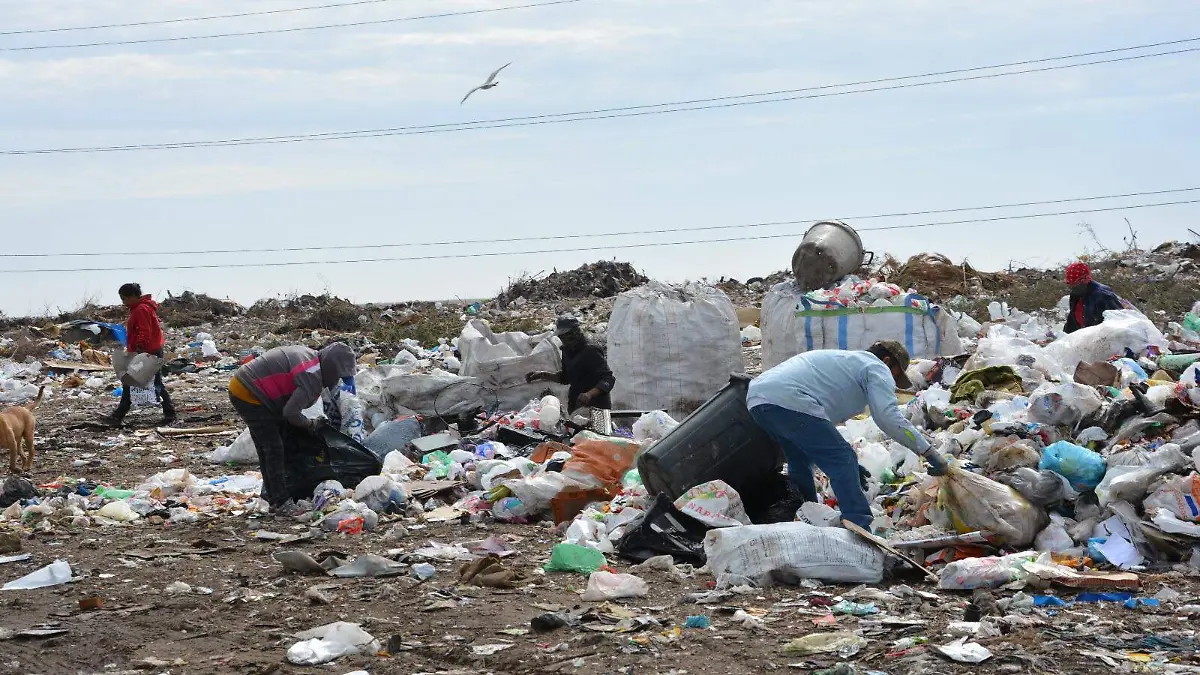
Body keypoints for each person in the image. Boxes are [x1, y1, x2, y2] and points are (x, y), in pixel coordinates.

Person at [745, 341, 948, 531]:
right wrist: (929, 452)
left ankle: (806, 518)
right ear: (887, 361)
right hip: (789, 399)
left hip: (758, 400)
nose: (893, 382)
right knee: (842, 459)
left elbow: (819, 431)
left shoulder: (846, 363)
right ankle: (859, 525)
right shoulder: (875, 367)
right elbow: (887, 417)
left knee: (800, 461)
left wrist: (850, 466)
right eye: (895, 375)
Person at [228, 342, 357, 515]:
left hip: (245, 386)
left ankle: (272, 498)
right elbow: (291, 413)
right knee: (273, 448)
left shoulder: (312, 359)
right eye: (338, 376)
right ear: (332, 370)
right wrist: (310, 424)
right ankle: (280, 502)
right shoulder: (312, 376)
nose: (336, 381)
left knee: (267, 447)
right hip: (249, 392)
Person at [104, 283, 175, 426]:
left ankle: (169, 413)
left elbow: (144, 332)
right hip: (148, 350)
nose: (123, 302)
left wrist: (139, 351)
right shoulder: (140, 308)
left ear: (132, 297)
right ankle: (120, 413)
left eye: (124, 299)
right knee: (135, 382)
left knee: (148, 382)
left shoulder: (141, 309)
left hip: (147, 351)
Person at [526, 316, 615, 413]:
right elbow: (566, 377)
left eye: (565, 336)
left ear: (574, 333)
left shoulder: (591, 350)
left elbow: (608, 379)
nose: (562, 339)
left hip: (596, 407)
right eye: (560, 337)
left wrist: (589, 395)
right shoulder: (567, 351)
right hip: (576, 405)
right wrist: (542, 374)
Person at [1064, 261, 1129, 334]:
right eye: (1069, 283)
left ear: (1083, 281)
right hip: (1085, 339)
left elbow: (1120, 322)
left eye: (1074, 284)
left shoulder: (1103, 295)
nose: (1071, 287)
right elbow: (1072, 322)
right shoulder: (1075, 295)